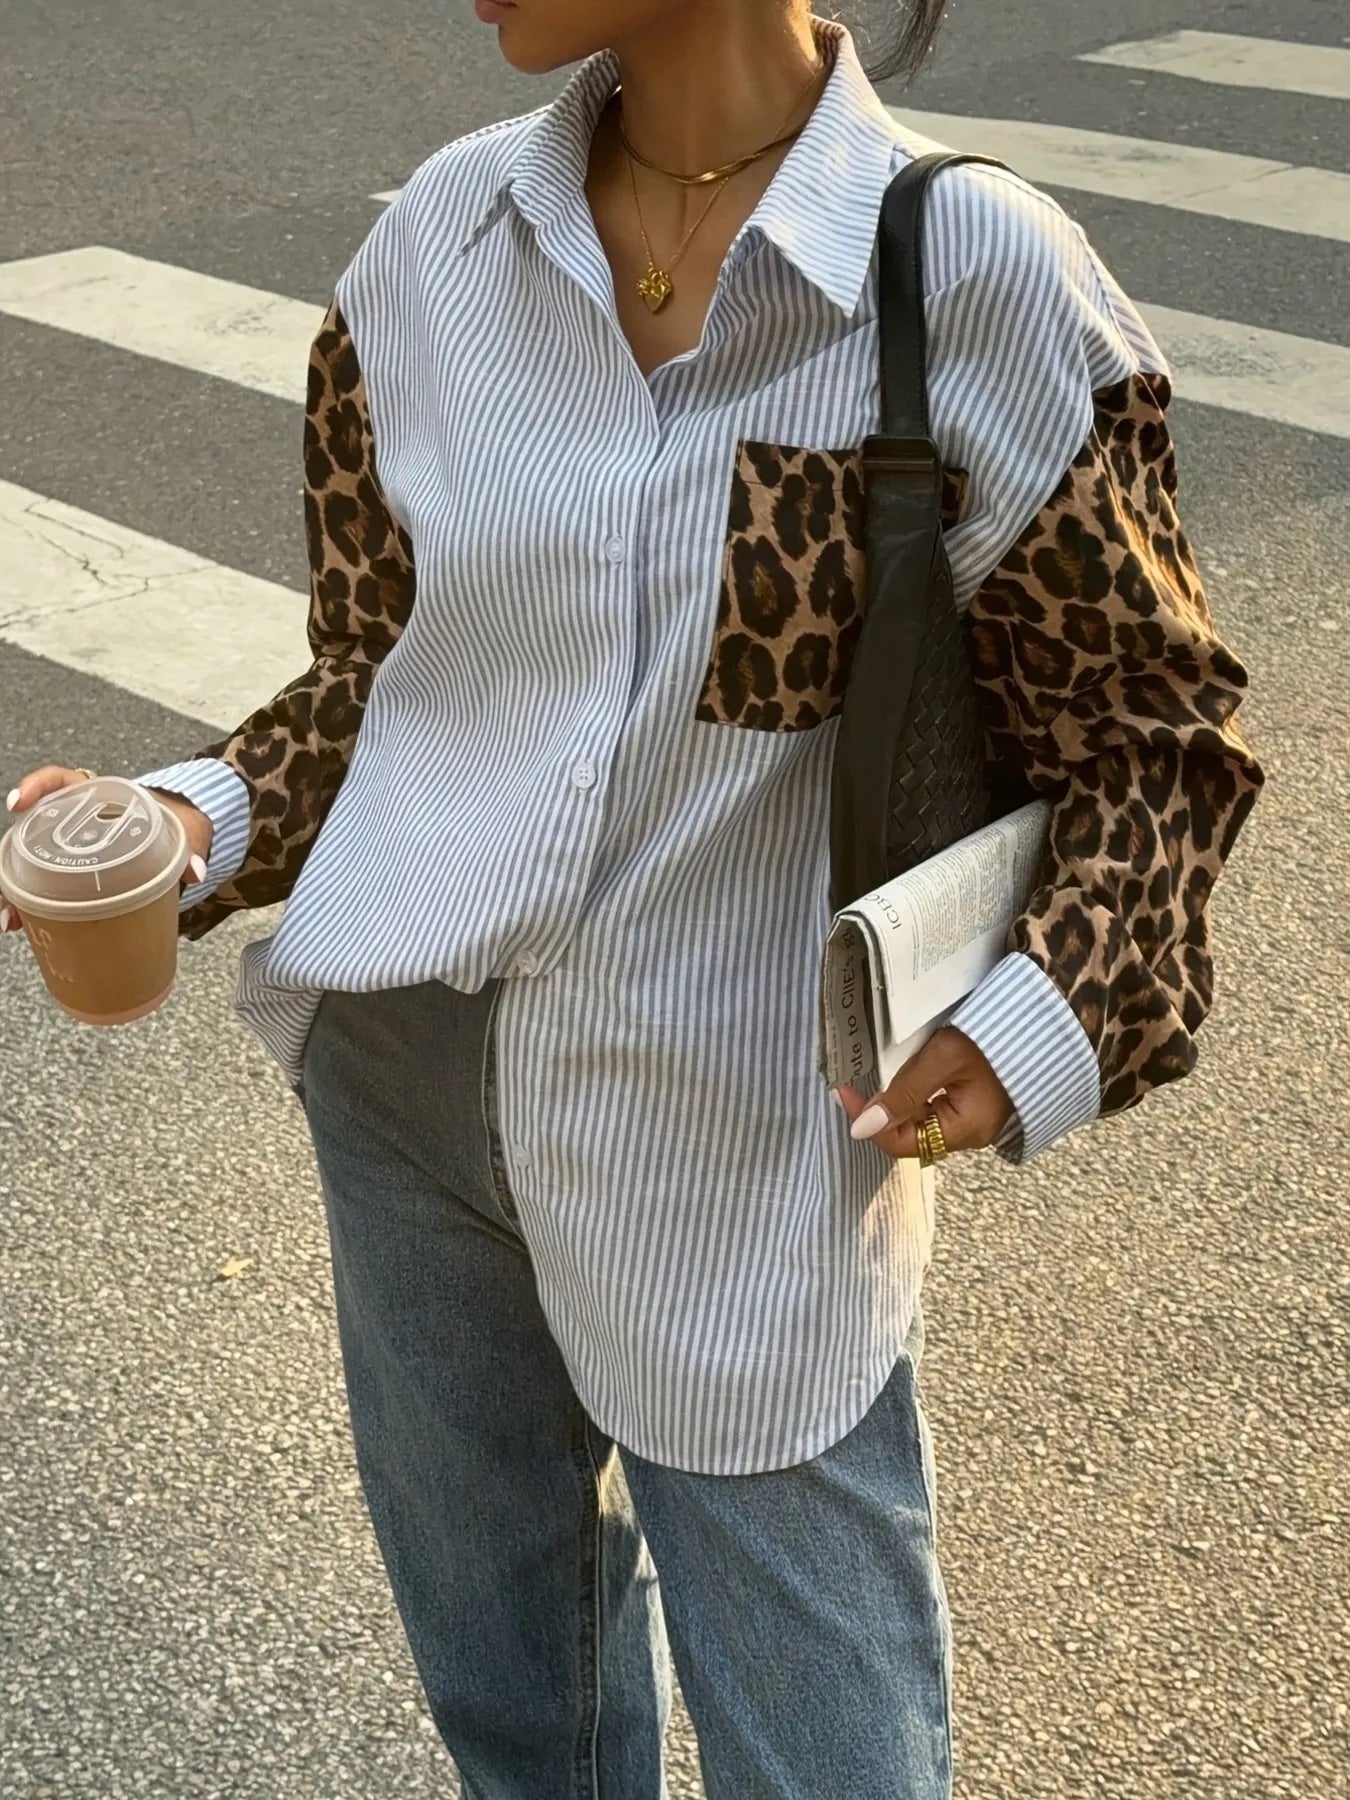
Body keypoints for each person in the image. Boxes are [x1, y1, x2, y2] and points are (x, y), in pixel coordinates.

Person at [4, 2, 1263, 1794]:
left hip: (742, 1133)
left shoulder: (970, 273)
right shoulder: (435, 249)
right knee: (526, 1722)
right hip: (407, 1089)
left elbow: (1151, 729)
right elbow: (381, 676)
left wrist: (1041, 1010)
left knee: (831, 1757)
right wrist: (184, 814)